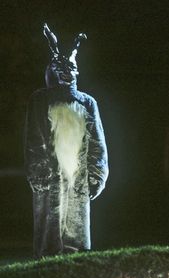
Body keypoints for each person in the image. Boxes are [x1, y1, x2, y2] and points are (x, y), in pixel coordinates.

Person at [24, 24, 109, 258]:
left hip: (78, 181)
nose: (65, 71)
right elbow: (33, 141)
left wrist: (97, 176)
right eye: (58, 67)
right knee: (48, 237)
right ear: (50, 71)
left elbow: (97, 143)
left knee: (76, 237)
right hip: (49, 180)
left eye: (70, 66)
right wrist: (38, 174)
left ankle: (75, 266)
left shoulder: (87, 103)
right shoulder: (40, 100)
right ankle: (47, 266)